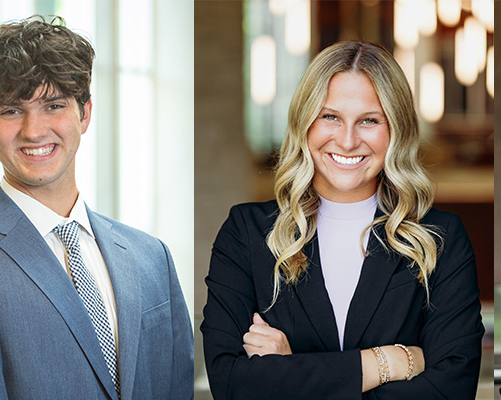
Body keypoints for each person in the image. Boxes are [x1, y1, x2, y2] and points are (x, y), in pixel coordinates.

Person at [0, 15, 193, 399]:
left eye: (54, 105)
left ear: (85, 113)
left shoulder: (151, 256)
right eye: (10, 110)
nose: (34, 130)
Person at [202, 40, 483, 399]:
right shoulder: (247, 233)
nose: (348, 141)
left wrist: (291, 369)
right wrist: (388, 362)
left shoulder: (440, 238)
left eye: (369, 120)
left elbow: (451, 390)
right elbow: (230, 382)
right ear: (305, 122)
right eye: (330, 116)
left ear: (395, 129)